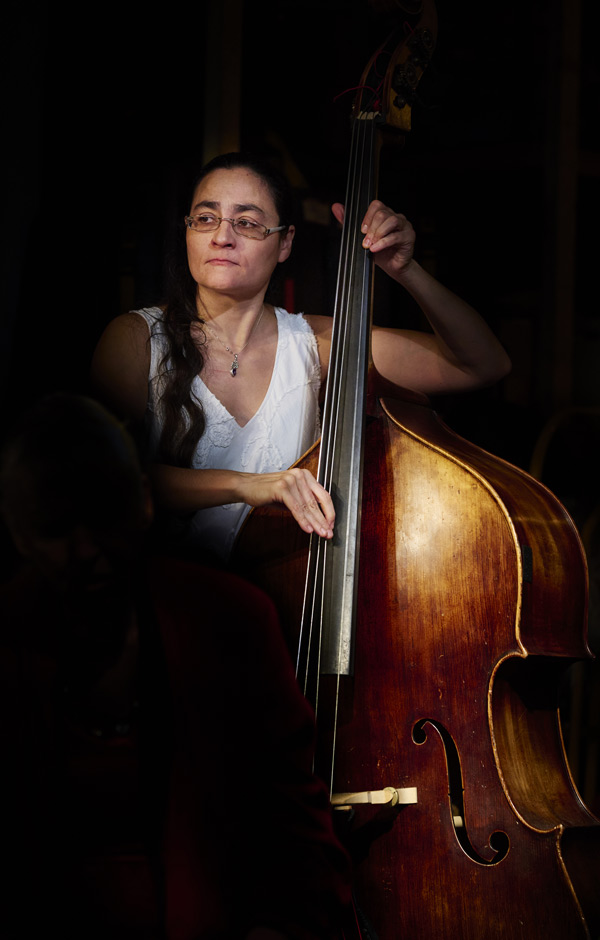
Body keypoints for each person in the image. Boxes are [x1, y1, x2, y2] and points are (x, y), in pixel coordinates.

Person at [0, 392, 351, 940]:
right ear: (18, 533)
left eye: (104, 515)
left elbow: (299, 840)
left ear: (143, 501)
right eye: (56, 527)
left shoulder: (228, 619)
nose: (87, 548)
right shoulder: (8, 642)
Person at [90, 151, 511, 563]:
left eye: (248, 223)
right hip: (162, 600)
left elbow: (481, 364)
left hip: (281, 613)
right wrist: (246, 485)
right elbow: (108, 479)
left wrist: (407, 271)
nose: (222, 235)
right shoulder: (135, 338)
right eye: (205, 218)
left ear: (285, 242)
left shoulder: (316, 342)